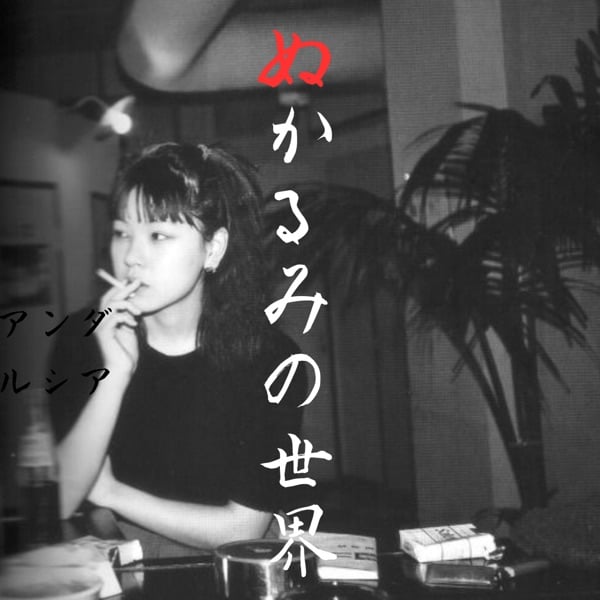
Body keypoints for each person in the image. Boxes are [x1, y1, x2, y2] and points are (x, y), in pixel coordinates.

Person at [48, 142, 306, 552]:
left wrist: (112, 493)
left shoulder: (271, 360)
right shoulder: (82, 337)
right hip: (111, 560)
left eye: (158, 235)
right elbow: (58, 501)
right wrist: (113, 375)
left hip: (223, 568)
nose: (131, 257)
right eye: (121, 233)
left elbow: (243, 529)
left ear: (213, 249)